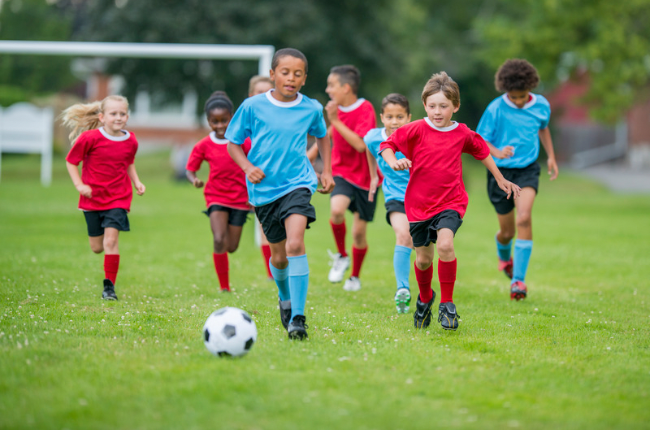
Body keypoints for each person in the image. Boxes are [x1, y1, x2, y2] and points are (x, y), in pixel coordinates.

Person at [380, 72, 521, 331]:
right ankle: (425, 299)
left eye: (443, 106)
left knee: (445, 245)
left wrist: (500, 179)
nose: (437, 111)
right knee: (423, 259)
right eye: (432, 106)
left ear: (455, 106)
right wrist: (393, 161)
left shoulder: (462, 133)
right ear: (424, 105)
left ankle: (447, 303)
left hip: (451, 202)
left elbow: (483, 152)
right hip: (419, 205)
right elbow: (387, 145)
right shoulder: (414, 129)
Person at [226, 48, 334, 340]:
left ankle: (298, 317)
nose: (291, 78)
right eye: (285, 72)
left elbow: (322, 135)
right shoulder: (252, 106)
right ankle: (284, 298)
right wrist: (248, 167)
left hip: (298, 183)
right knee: (279, 257)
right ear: (273, 74)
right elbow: (232, 143)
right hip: (263, 190)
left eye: (297, 74)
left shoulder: (311, 108)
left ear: (304, 78)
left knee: (295, 243)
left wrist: (326, 171)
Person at [476, 59, 558, 301]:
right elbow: (480, 141)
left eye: (523, 96)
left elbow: (543, 128)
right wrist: (498, 151)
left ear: (530, 88)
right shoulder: (495, 109)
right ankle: (504, 256)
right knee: (507, 232)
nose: (520, 101)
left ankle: (518, 281)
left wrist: (551, 156)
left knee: (524, 218)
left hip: (527, 171)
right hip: (500, 175)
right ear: (506, 91)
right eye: (514, 97)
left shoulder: (542, 105)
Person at [62, 95, 145, 301]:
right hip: (92, 199)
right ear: (102, 117)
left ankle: (109, 288)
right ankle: (108, 281)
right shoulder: (89, 138)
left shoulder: (131, 140)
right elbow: (71, 161)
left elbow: (129, 162)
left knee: (111, 241)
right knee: (97, 247)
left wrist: (136, 182)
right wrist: (80, 185)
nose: (118, 117)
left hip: (118, 198)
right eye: (113, 113)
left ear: (127, 116)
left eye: (122, 113)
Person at [186, 91, 250, 293]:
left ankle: (225, 279)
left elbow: (257, 163)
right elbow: (190, 168)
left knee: (231, 246)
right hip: (216, 196)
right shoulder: (204, 144)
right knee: (219, 239)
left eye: (224, 120)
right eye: (215, 121)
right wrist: (194, 179)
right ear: (208, 121)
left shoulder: (243, 141)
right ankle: (224, 288)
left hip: (241, 199)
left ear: (232, 118)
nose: (220, 125)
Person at [325, 65, 379, 292]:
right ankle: (341, 255)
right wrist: (305, 159)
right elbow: (325, 139)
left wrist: (335, 120)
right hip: (342, 173)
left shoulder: (365, 108)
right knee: (336, 210)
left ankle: (354, 277)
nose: (328, 90)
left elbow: (360, 144)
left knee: (358, 233)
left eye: (332, 85)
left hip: (367, 180)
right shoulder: (336, 111)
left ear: (346, 88)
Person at [364, 93, 413, 313]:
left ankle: (424, 289)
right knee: (403, 235)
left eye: (400, 116)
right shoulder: (373, 137)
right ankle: (402, 288)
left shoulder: (417, 137)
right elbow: (370, 149)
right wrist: (374, 176)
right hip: (394, 196)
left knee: (422, 249)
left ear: (409, 117)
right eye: (390, 117)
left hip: (422, 196)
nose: (395, 122)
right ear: (382, 117)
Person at [246, 76, 276, 280]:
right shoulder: (244, 123)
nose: (263, 96)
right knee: (264, 227)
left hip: (282, 181)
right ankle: (271, 274)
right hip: (255, 182)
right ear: (251, 95)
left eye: (268, 91)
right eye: (259, 91)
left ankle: (285, 266)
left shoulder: (281, 121)